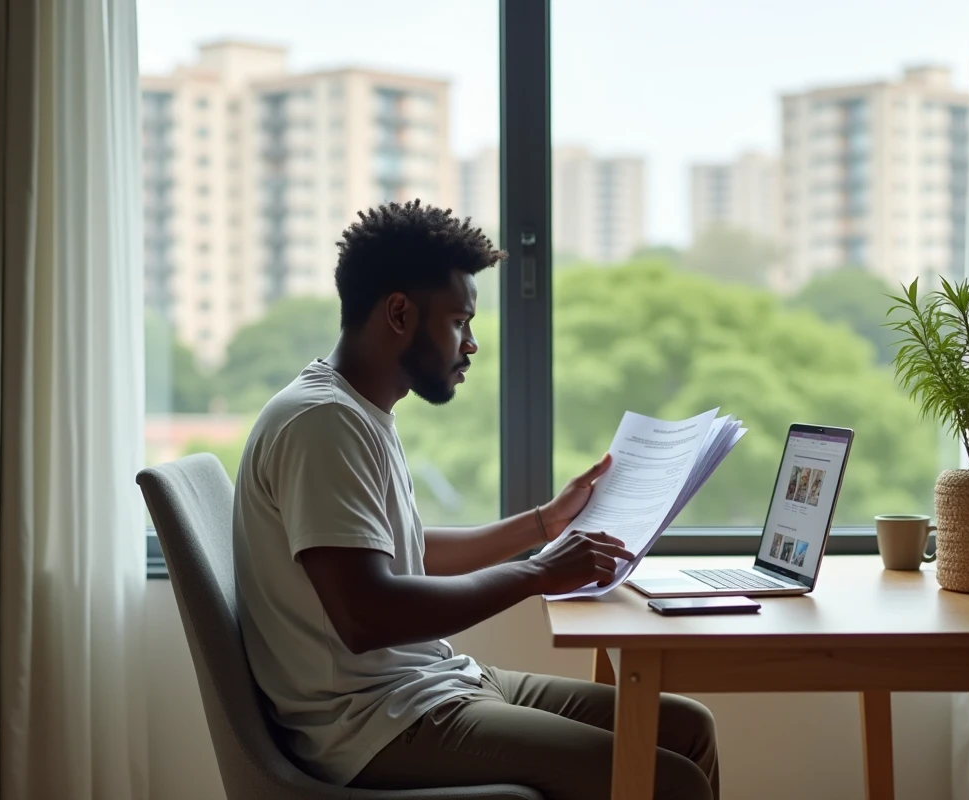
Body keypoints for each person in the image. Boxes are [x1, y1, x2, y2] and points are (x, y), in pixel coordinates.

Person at [232, 200, 720, 800]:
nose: (472, 344)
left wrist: (543, 523)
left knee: (686, 730)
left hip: (428, 683)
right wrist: (535, 574)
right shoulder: (322, 423)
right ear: (399, 313)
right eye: (460, 321)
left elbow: (403, 555)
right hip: (373, 724)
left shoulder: (357, 411)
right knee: (669, 781)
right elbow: (367, 614)